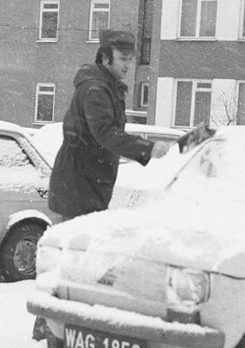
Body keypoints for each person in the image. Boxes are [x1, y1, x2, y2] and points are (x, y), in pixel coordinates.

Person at [48, 30, 171, 221]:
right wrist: (148, 147)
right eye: (123, 59)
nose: (128, 65)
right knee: (72, 248)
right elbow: (105, 133)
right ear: (106, 59)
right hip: (78, 188)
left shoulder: (106, 86)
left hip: (87, 185)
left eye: (130, 59)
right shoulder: (95, 89)